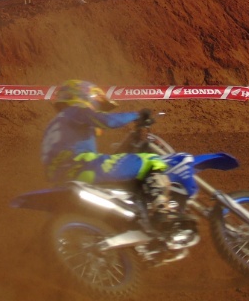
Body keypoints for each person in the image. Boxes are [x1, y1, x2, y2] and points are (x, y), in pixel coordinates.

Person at [41, 80, 180, 226]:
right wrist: (137, 115)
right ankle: (161, 211)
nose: (96, 109)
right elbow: (108, 121)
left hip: (62, 181)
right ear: (82, 96)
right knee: (151, 160)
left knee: (119, 165)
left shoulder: (53, 125)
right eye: (96, 104)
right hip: (84, 167)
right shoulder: (74, 111)